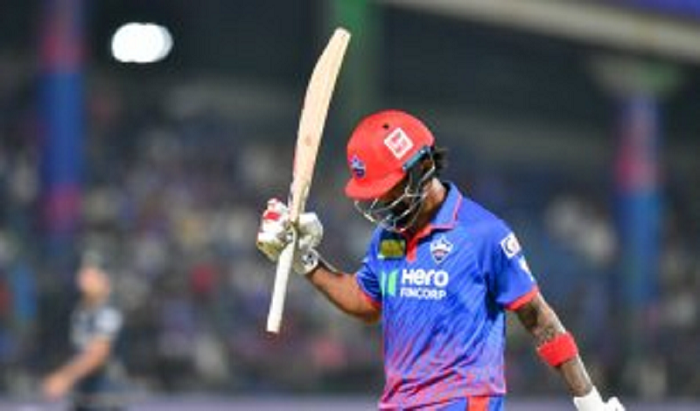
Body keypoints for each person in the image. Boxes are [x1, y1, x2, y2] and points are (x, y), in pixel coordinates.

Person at [257, 109, 625, 410]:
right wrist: (305, 260)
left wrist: (589, 400)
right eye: (375, 194)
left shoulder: (484, 235)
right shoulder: (388, 238)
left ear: (422, 169)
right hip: (399, 403)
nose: (383, 203)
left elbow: (540, 320)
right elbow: (366, 303)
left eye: (389, 190)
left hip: (464, 401)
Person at [42, 256, 126, 411]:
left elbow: (98, 353)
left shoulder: (109, 311)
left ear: (104, 279)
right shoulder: (80, 311)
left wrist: (65, 377)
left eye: (91, 275)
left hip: (105, 396)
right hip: (84, 393)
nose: (84, 280)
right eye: (83, 274)